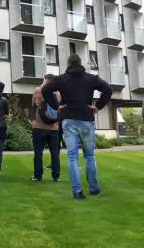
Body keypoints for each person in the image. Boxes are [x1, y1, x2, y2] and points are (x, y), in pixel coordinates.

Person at [42, 54, 113, 200]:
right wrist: (97, 106)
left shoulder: (61, 79)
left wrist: (57, 106)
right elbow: (108, 90)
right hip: (86, 119)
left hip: (69, 120)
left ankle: (77, 191)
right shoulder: (91, 78)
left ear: (68, 64)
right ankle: (93, 188)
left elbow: (45, 90)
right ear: (81, 64)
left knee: (72, 156)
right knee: (89, 156)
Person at [31, 74, 61, 182]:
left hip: (39, 126)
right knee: (54, 152)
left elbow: (33, 104)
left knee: (38, 152)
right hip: (53, 127)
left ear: (45, 80)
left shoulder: (38, 90)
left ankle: (38, 175)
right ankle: (56, 176)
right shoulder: (58, 93)